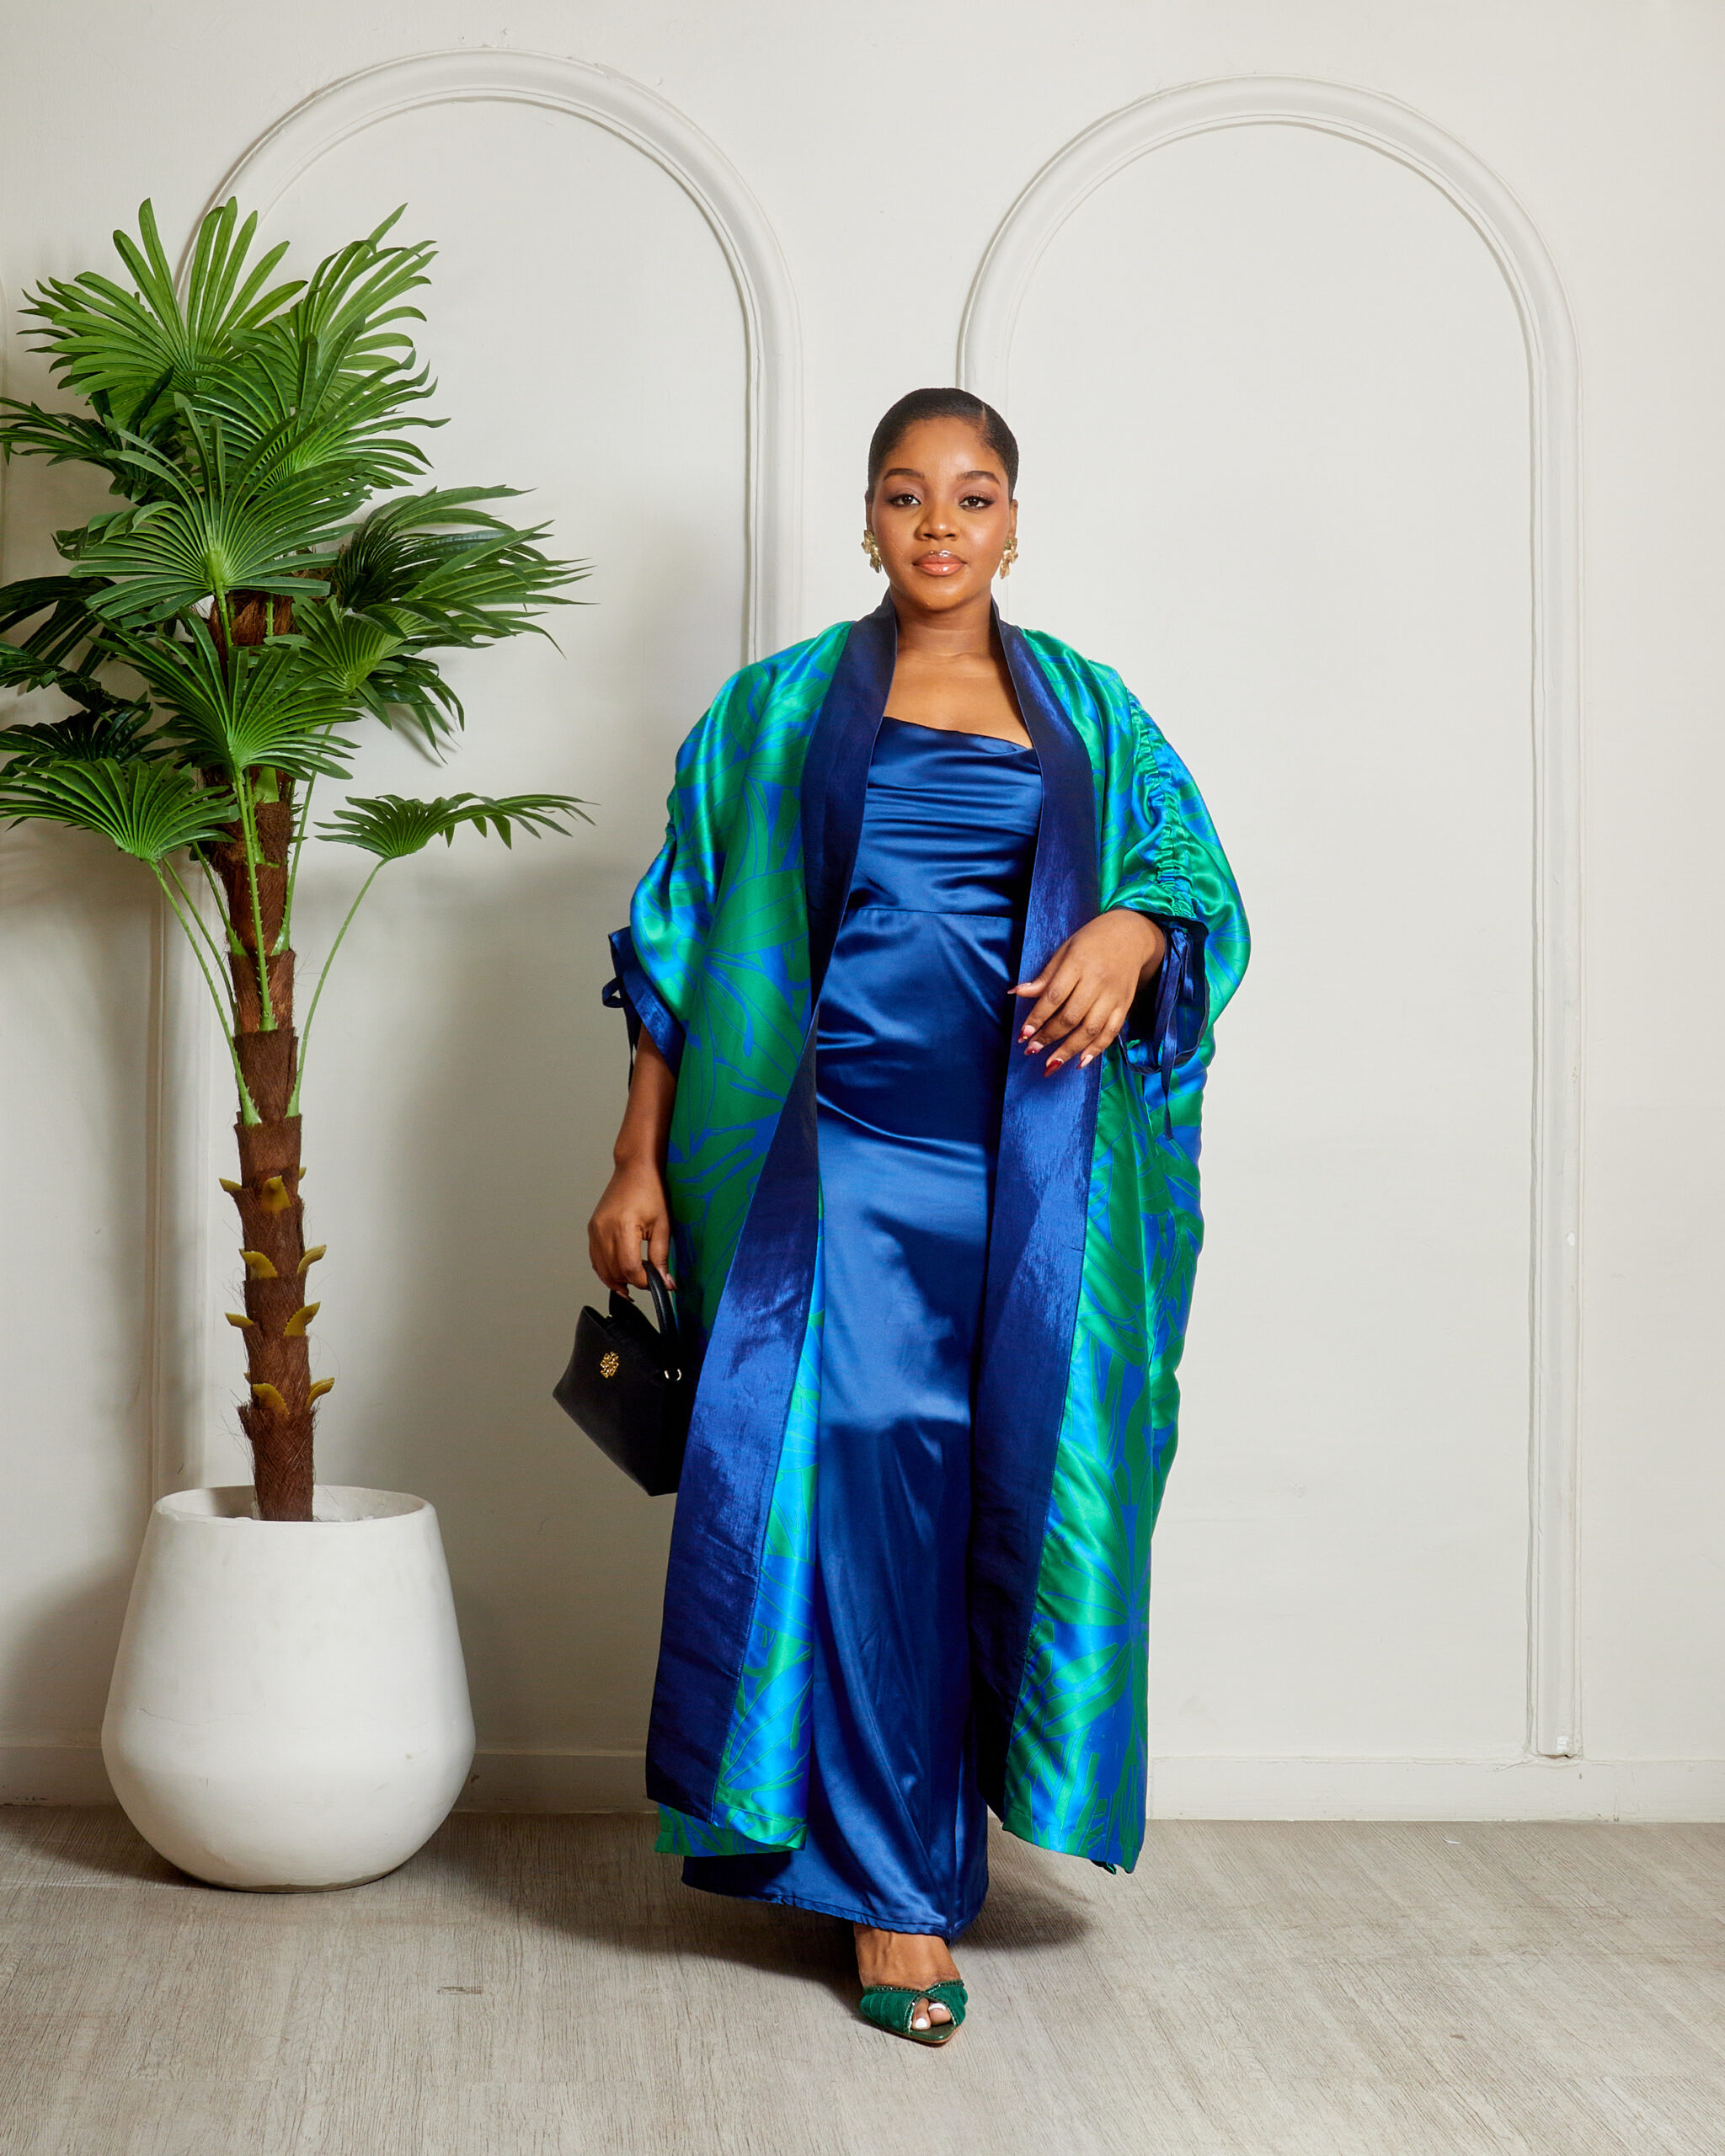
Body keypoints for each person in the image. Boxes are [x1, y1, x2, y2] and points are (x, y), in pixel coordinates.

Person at [589, 387, 1248, 2045]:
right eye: (905, 493)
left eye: (972, 495)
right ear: (867, 518)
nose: (939, 524)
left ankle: (912, 1834)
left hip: (1032, 1176)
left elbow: (1197, 882)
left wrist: (1133, 929)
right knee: (865, 1480)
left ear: (1014, 523)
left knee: (996, 1495)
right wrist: (636, 1160)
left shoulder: (1089, 708)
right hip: (828, 1168)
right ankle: (895, 1897)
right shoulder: (774, 709)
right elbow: (678, 944)